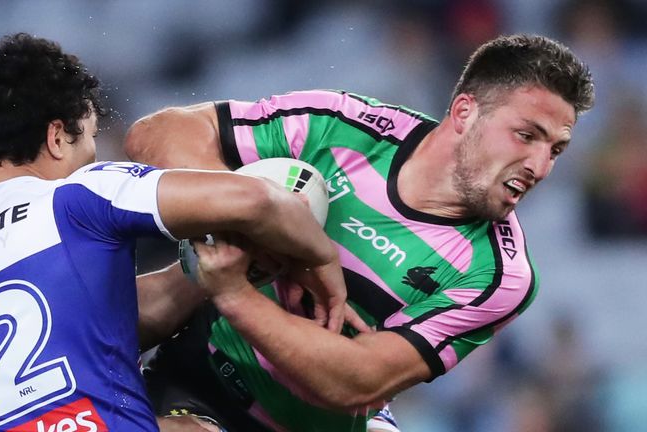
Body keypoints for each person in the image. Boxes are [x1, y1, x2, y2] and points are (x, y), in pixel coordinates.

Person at [124, 34, 595, 431]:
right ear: (465, 112)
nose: (539, 166)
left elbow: (359, 381)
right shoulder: (343, 126)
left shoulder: (501, 274)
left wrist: (233, 291)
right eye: (526, 135)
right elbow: (156, 134)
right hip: (200, 376)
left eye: (557, 149)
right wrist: (264, 221)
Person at [0, 33, 349, 432]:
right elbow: (259, 201)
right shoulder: (75, 197)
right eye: (89, 139)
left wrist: (217, 271)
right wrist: (321, 257)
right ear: (57, 137)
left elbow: (90, 326)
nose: (91, 156)